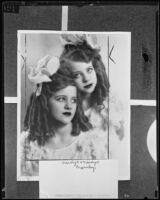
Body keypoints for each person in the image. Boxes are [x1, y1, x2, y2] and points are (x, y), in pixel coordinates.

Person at [20, 55, 108, 177]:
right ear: (45, 101)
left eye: (73, 100)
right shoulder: (26, 144)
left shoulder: (91, 143)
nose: (69, 106)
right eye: (61, 99)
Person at [59, 34, 125, 159]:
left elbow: (121, 135)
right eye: (78, 75)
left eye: (89, 70)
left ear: (96, 69)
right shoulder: (67, 107)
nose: (86, 78)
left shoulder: (110, 103)